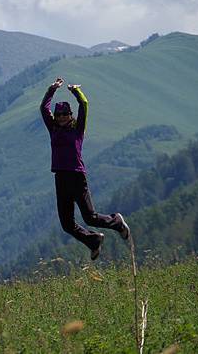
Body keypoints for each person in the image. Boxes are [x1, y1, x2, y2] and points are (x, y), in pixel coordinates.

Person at [40, 78, 130, 260]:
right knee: (67, 224)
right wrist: (51, 89)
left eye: (65, 114)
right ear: (55, 117)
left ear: (70, 115)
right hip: (60, 178)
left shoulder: (77, 129)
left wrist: (75, 91)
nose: (62, 117)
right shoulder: (54, 129)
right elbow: (44, 108)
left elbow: (84, 104)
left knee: (90, 217)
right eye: (59, 115)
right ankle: (93, 240)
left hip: (76, 176)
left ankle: (117, 222)